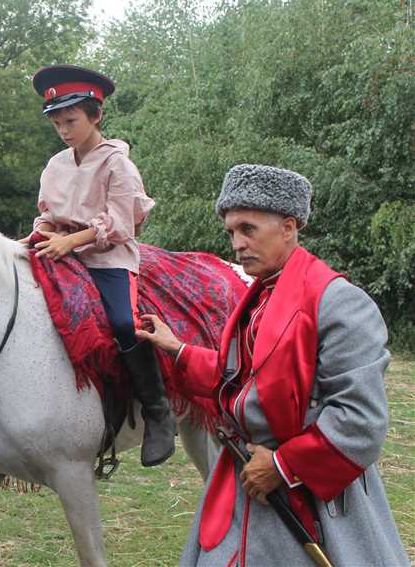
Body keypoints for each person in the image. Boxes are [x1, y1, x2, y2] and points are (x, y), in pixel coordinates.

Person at [136, 164, 408, 565]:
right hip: (245, 485)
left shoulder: (339, 303)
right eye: (231, 232)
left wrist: (283, 465)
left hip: (314, 501)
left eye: (248, 229)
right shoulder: (258, 298)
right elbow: (246, 382)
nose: (237, 244)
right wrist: (178, 349)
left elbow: (360, 420)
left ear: (288, 227)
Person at [24, 64, 175, 467]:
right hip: (60, 248)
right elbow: (46, 214)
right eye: (57, 122)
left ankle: (157, 410)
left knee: (124, 324)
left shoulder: (117, 164)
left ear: (96, 116)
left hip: (107, 257)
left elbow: (122, 221)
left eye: (71, 120)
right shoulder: (55, 165)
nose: (64, 129)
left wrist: (72, 241)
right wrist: (40, 234)